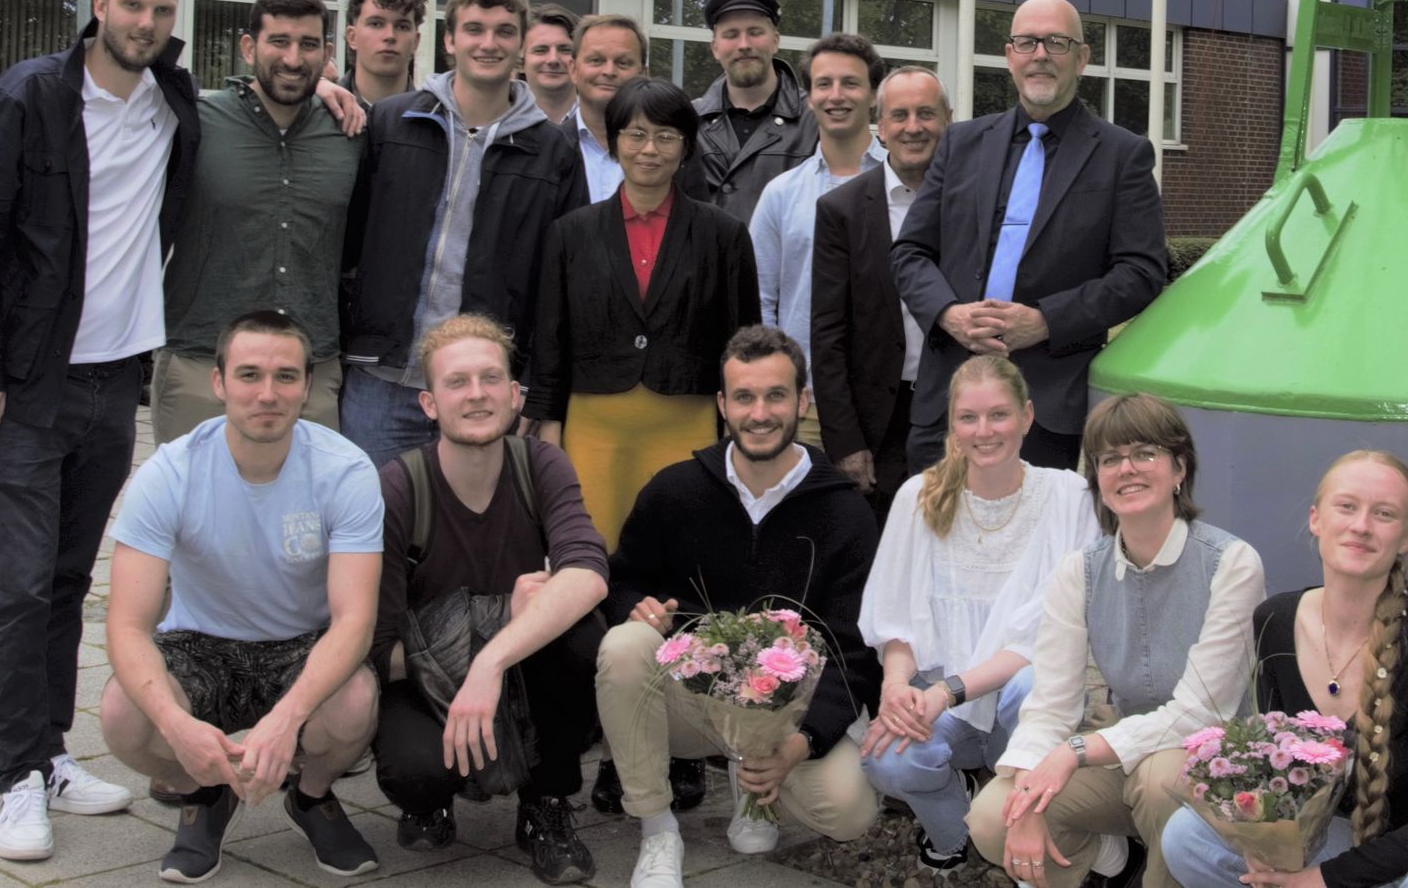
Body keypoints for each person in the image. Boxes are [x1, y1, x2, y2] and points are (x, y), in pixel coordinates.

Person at [0, 0, 196, 861]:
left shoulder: (175, 102)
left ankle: (46, 753)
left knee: (64, 581)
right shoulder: (30, 95)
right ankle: (14, 779)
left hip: (113, 381)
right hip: (26, 385)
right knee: (14, 587)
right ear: (98, 4)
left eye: (162, 11)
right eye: (131, 6)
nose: (145, 23)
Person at [1161, 451, 1408, 888]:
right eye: (1347, 506)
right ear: (1316, 519)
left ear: (1406, 538)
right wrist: (1265, 842)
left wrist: (1327, 878)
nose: (1361, 525)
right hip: (1345, 839)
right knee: (1187, 836)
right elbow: (1282, 770)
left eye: (1384, 514)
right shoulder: (1275, 621)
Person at [95, 311, 384, 881]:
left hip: (301, 643)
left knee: (354, 702)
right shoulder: (169, 473)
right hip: (199, 643)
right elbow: (127, 626)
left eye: (286, 376)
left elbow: (354, 621)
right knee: (122, 714)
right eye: (249, 375)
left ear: (306, 385)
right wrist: (176, 729)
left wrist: (285, 721)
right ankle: (203, 793)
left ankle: (312, 796)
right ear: (220, 383)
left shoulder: (345, 470)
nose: (268, 394)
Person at [597, 325, 881, 888]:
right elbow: (621, 579)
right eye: (744, 397)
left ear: (802, 401)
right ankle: (658, 829)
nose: (760, 413)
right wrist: (638, 608)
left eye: (776, 395)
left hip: (789, 713)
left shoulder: (847, 514)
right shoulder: (675, 490)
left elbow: (857, 648)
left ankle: (755, 784)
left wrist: (800, 745)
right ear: (722, 404)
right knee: (624, 647)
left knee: (849, 814)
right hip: (691, 703)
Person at [968, 392, 1266, 888]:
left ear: (1179, 470)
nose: (1126, 469)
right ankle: (1106, 861)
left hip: (1211, 765)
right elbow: (1050, 705)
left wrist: (1074, 752)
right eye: (1110, 459)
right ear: (1098, 482)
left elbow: (1202, 713)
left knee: (1160, 780)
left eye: (1145, 453)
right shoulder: (1079, 572)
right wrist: (1026, 790)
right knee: (994, 816)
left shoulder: (1231, 563)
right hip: (1122, 754)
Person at [369, 314, 608, 884]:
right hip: (428, 687)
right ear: (429, 403)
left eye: (490, 378)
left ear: (515, 394)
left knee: (584, 635)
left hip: (520, 672)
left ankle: (545, 804)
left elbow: (590, 572)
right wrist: (494, 623)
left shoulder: (541, 464)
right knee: (414, 770)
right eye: (457, 382)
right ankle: (433, 799)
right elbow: (377, 649)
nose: (476, 395)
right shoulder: (398, 486)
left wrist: (492, 660)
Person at [891, 0, 1167, 472]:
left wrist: (1044, 321)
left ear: (1081, 58)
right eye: (1027, 42)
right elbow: (910, 252)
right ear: (1009, 56)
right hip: (948, 399)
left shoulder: (1123, 156)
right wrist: (948, 313)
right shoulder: (960, 144)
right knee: (936, 536)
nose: (1040, 54)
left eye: (1056, 42)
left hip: (1046, 408)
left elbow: (1141, 273)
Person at [859, 354, 1100, 873]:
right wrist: (896, 691)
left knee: (1033, 682)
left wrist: (945, 692)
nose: (984, 431)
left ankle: (1025, 827)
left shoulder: (1069, 497)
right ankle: (960, 829)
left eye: (999, 415)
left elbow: (1049, 638)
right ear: (952, 425)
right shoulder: (917, 497)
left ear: (1028, 416)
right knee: (884, 759)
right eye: (969, 417)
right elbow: (894, 616)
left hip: (1023, 704)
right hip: (935, 695)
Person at [339, 0, 588, 464]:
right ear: (449, 40)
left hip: (485, 388)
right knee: (371, 527)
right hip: (382, 378)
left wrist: (536, 388)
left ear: (519, 45)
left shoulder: (553, 151)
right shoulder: (392, 123)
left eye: (503, 31)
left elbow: (560, 283)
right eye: (474, 29)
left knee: (468, 535)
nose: (488, 43)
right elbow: (348, 241)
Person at [527, 76, 760, 545]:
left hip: (689, 424)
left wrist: (740, 428)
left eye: (665, 135)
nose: (649, 149)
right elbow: (549, 341)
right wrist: (547, 432)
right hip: (593, 427)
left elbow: (744, 345)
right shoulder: (570, 233)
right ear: (614, 142)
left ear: (686, 146)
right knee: (590, 556)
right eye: (634, 134)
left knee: (683, 555)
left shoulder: (724, 235)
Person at [152, 0, 359, 442]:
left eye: (308, 45)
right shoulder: (195, 125)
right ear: (249, 47)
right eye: (279, 42)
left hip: (310, 373)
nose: (292, 58)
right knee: (197, 509)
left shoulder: (350, 133)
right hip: (203, 365)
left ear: (326, 52)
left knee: (304, 513)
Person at [814, 66, 951, 519]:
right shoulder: (842, 210)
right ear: (881, 126)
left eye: (927, 114)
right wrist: (846, 440)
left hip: (958, 410)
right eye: (900, 115)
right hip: (878, 420)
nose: (914, 127)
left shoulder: (976, 200)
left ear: (947, 120)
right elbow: (828, 333)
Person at [750, 33, 886, 452]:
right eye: (824, 84)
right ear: (809, 97)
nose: (836, 95)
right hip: (804, 403)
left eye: (851, 83)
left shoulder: (905, 188)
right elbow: (761, 299)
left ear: (873, 95)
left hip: (888, 399)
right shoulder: (780, 193)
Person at [686, 0, 811, 223]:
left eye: (755, 32)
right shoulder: (688, 119)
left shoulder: (814, 118)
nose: (743, 44)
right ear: (715, 48)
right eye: (731, 35)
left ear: (775, 41)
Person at [563, 13, 647, 203]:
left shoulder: (672, 153)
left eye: (623, 63)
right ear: (573, 70)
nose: (609, 71)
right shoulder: (545, 151)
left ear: (643, 74)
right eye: (596, 60)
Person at [342, 0, 426, 106]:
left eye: (402, 27)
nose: (390, 36)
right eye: (376, 24)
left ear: (415, 42)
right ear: (352, 37)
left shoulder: (438, 121)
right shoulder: (318, 114)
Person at [523, 3, 579, 123]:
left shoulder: (605, 123)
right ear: (521, 59)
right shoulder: (498, 125)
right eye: (540, 50)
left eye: (565, 50)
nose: (553, 60)